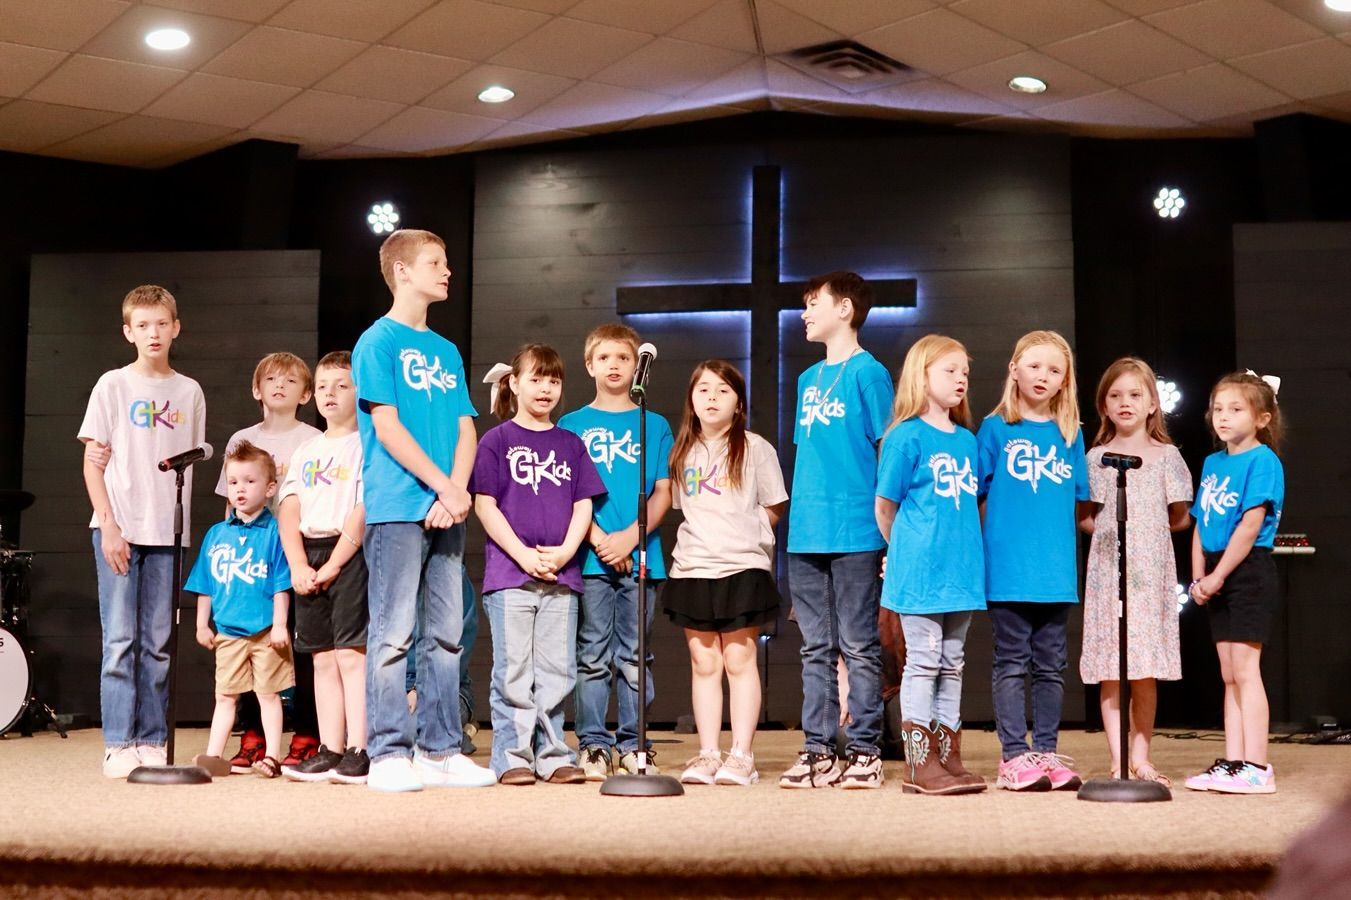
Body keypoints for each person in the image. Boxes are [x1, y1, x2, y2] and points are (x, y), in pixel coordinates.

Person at [352, 228, 495, 792]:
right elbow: (386, 427)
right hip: (397, 504)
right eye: (435, 262)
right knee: (392, 635)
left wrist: (456, 493)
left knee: (446, 635)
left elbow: (466, 427)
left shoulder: (447, 350)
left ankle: (439, 748)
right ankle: (388, 752)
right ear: (403, 271)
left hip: (446, 506)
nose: (447, 271)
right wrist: (441, 487)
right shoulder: (376, 341)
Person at [78, 284, 206, 778]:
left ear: (176, 328)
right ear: (129, 332)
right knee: (120, 641)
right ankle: (118, 742)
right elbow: (92, 464)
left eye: (162, 324)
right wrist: (109, 525)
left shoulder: (189, 391)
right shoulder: (112, 385)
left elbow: (186, 462)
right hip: (119, 528)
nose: (153, 333)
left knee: (157, 642)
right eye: (143, 325)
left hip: (167, 532)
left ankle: (152, 739)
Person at [473, 344, 605, 785]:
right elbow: (486, 506)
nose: (545, 388)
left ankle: (552, 754)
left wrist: (566, 551)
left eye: (553, 380)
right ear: (514, 383)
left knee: (556, 669)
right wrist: (523, 555)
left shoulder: (571, 443)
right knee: (513, 670)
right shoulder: (497, 440)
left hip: (561, 574)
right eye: (535, 379)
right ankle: (511, 756)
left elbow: (584, 504)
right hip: (512, 574)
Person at [781, 272, 893, 789]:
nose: (805, 314)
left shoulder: (869, 374)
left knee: (859, 645)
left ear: (844, 308)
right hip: (806, 531)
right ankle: (817, 749)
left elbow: (886, 451)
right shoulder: (806, 380)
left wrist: (891, 532)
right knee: (814, 648)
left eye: (813, 304)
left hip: (855, 530)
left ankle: (865, 749)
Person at [558, 324, 674, 779]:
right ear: (589, 365)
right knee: (592, 653)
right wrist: (602, 541)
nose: (614, 366)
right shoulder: (573, 425)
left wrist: (631, 537)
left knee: (633, 654)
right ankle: (592, 742)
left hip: (642, 552)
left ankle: (633, 741)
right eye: (604, 358)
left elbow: (663, 492)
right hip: (589, 554)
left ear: (636, 365)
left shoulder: (655, 422)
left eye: (623, 358)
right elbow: (566, 494)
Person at [663, 361, 787, 787]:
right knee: (704, 662)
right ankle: (708, 752)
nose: (711, 398)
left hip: (742, 567)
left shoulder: (756, 448)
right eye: (703, 390)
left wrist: (746, 534)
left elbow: (774, 506)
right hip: (693, 567)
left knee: (739, 659)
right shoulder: (681, 451)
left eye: (722, 391)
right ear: (691, 401)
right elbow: (682, 507)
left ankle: (742, 755)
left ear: (738, 403)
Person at [977, 330, 1089, 792]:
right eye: (1035, 366)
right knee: (1011, 661)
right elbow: (978, 497)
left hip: (1055, 573)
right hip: (1008, 570)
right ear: (1014, 369)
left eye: (1054, 370)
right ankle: (1013, 756)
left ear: (1065, 381)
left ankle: (1044, 750)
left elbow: (1081, 505)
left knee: (1050, 665)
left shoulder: (1071, 435)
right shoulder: (995, 429)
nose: (1044, 376)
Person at [875, 335, 986, 795]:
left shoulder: (967, 439)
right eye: (949, 370)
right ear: (922, 376)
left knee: (953, 661)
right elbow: (886, 508)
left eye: (965, 371)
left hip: (961, 573)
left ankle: (948, 755)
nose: (960, 378)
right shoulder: (905, 436)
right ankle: (919, 766)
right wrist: (904, 556)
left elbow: (973, 507)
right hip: (920, 573)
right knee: (923, 660)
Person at [1078, 358, 1192, 785]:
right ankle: (1117, 758)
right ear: (1104, 405)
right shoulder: (1095, 458)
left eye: (1135, 394)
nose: (1125, 403)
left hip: (1152, 574)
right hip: (1109, 572)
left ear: (1151, 404)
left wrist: (1148, 537)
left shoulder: (1167, 457)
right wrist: (1112, 535)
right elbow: (1084, 516)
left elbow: (1179, 516)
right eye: (1115, 395)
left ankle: (1141, 757)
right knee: (1113, 666)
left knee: (1142, 669)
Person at [215, 352, 323, 772]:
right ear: (256, 389)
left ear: (306, 393)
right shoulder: (241, 439)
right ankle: (254, 735)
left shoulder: (314, 439)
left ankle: (308, 732)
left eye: (291, 381)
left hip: (298, 551)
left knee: (305, 645)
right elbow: (230, 504)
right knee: (248, 644)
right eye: (271, 379)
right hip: (251, 558)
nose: (280, 385)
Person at [1183, 371, 1284, 795]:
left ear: (1261, 418)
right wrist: (1198, 575)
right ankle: (1235, 760)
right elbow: (1201, 522)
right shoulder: (1212, 462)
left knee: (1246, 669)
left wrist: (1220, 574)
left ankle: (1257, 765)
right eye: (1218, 408)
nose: (1223, 417)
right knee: (1227, 673)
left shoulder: (1263, 461)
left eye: (1236, 409)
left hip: (1247, 571)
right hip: (1215, 570)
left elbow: (1249, 524)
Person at [276, 351, 370, 784]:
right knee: (322, 659)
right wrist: (297, 562)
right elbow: (289, 507)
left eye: (342, 385)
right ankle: (330, 747)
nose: (331, 394)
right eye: (324, 386)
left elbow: (362, 510)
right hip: (308, 556)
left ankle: (359, 747)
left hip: (347, 554)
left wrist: (333, 563)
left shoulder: (366, 443)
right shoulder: (306, 449)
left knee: (352, 655)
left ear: (360, 391)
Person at [186, 441, 294, 779]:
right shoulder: (217, 534)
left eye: (249, 481)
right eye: (233, 483)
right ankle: (214, 755)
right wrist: (202, 624)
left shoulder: (276, 531)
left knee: (268, 694)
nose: (240, 489)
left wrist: (280, 625)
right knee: (225, 695)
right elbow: (205, 583)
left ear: (270, 487)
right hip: (229, 632)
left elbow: (281, 582)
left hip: (265, 631)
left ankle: (272, 755)